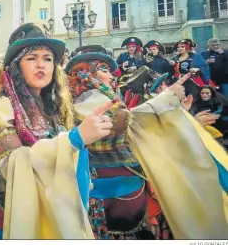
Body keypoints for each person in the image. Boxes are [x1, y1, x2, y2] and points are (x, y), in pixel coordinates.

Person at [0, 23, 117, 239]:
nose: (41, 65)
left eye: (47, 58)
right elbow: (11, 163)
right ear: (16, 66)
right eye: (31, 58)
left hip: (54, 209)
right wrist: (74, 140)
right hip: (10, 216)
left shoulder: (58, 106)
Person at [65, 52, 228, 239]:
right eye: (103, 70)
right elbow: (128, 122)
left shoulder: (95, 98)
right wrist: (166, 100)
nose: (111, 76)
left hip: (118, 188)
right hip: (111, 191)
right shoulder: (89, 99)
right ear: (87, 74)